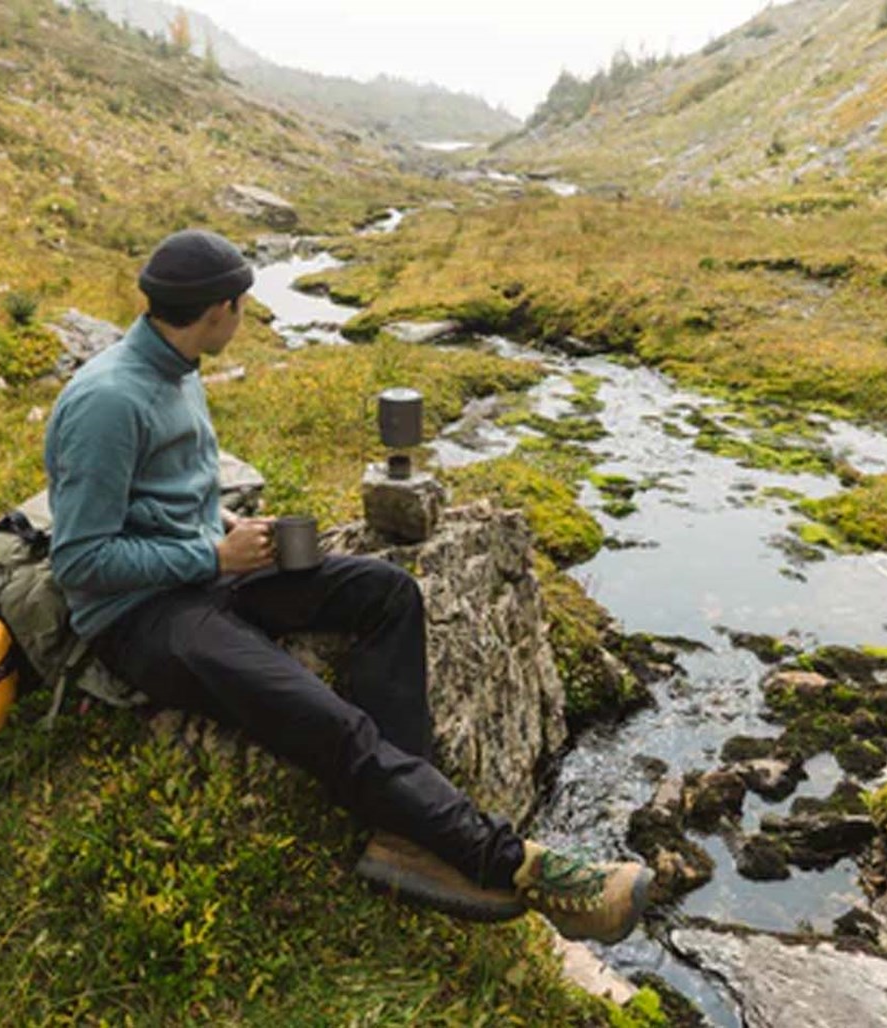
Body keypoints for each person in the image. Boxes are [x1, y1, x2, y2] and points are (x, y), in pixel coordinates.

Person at [43, 228, 652, 943]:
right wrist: (213, 557)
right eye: (243, 304)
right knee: (330, 720)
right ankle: (515, 865)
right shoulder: (109, 402)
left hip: (210, 576)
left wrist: (230, 530)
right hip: (141, 619)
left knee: (386, 592)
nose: (245, 315)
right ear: (219, 309)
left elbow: (162, 500)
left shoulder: (178, 367)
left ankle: (401, 836)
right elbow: (80, 560)